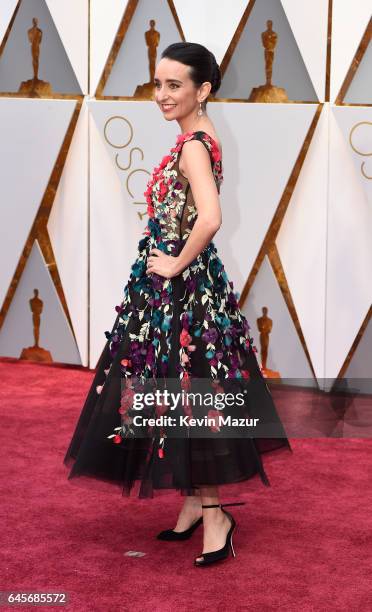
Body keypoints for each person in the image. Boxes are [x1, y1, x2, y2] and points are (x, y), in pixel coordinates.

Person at [64, 42, 292, 567]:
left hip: (183, 291)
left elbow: (208, 218)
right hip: (184, 288)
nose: (162, 95)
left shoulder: (193, 143)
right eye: (158, 84)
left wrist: (172, 263)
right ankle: (194, 502)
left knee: (189, 393)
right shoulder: (202, 137)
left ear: (202, 89)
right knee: (181, 391)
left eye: (174, 85)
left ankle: (217, 515)